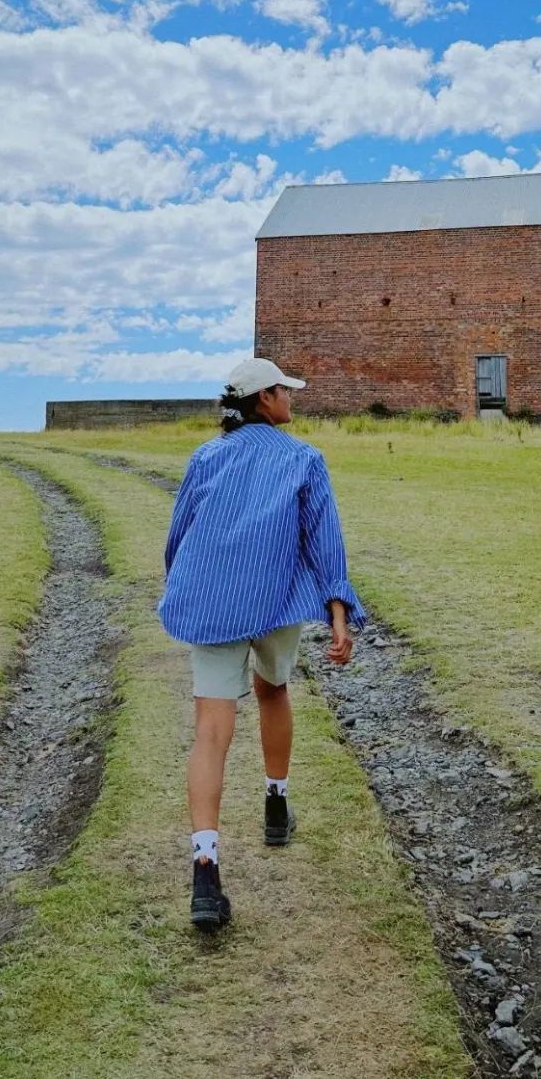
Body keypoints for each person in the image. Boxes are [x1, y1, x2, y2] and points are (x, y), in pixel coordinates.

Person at [158, 356, 366, 932]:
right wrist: (339, 613)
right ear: (264, 399)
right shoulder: (304, 459)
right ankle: (276, 806)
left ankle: (206, 867)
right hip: (275, 598)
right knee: (273, 691)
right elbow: (325, 541)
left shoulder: (206, 457)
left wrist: (184, 587)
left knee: (210, 726)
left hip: (212, 600)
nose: (291, 399)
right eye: (285, 391)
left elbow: (179, 536)